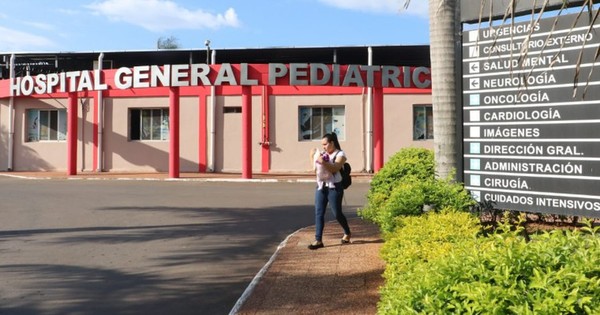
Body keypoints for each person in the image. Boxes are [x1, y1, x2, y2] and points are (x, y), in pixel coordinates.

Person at [308, 132, 351, 250]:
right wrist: (312, 157)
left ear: (332, 143)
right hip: (321, 186)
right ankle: (318, 240)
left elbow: (335, 169)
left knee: (337, 213)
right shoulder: (322, 154)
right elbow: (315, 170)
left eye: (325, 144)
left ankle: (347, 232)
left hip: (335, 187)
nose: (324, 147)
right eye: (322, 145)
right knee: (319, 212)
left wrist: (323, 162)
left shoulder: (340, 154)